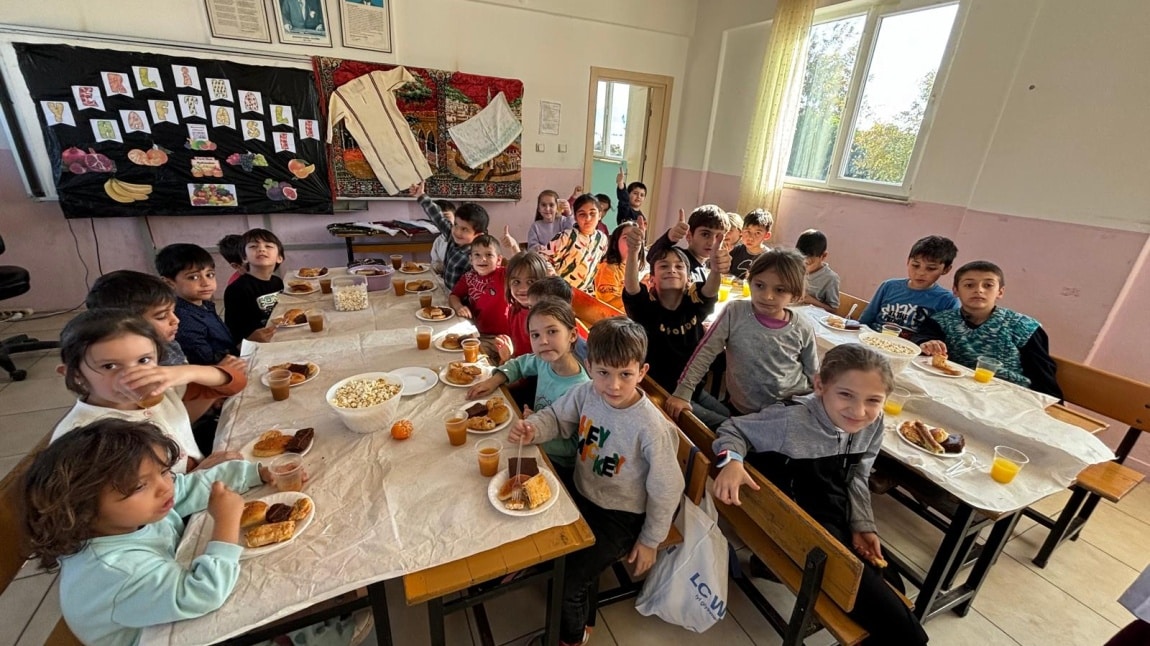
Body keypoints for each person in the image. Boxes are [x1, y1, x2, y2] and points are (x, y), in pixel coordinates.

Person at [712, 344, 929, 646]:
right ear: (819, 385)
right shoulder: (792, 421)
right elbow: (732, 428)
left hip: (832, 522)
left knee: (895, 589)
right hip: (795, 528)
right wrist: (732, 461)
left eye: (873, 401)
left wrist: (863, 525)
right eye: (845, 395)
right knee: (903, 632)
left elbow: (858, 476)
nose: (859, 411)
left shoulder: (873, 423)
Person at [508, 317, 683, 646]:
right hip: (584, 493)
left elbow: (667, 488)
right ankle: (585, 618)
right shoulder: (586, 392)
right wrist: (533, 428)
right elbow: (557, 418)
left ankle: (571, 638)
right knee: (543, 544)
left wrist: (650, 540)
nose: (613, 385)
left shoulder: (651, 427)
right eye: (603, 373)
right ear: (590, 366)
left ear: (642, 372)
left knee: (567, 584)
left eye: (625, 375)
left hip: (622, 516)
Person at [24, 420, 268, 646]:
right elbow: (203, 593)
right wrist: (226, 522)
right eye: (140, 485)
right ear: (83, 509)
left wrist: (253, 473)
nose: (164, 488)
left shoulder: (127, 516)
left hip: (164, 612)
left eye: (164, 472)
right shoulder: (115, 570)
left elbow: (186, 487)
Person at [52, 309, 246, 473]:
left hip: (198, 476)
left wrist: (186, 372)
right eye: (110, 366)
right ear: (76, 375)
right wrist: (200, 473)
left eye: (143, 360)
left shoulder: (161, 390)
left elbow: (235, 383)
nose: (133, 375)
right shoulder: (85, 437)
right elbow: (129, 505)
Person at [667, 248, 818, 429]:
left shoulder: (802, 326)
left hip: (788, 412)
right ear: (750, 281)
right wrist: (683, 391)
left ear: (795, 295)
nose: (767, 296)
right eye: (759, 285)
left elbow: (814, 374)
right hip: (743, 410)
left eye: (780, 290)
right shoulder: (735, 312)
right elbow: (705, 352)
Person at [468, 297, 590, 484]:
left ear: (572, 335)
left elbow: (575, 445)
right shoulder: (543, 361)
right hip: (530, 436)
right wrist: (495, 380)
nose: (543, 341)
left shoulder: (581, 390)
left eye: (552, 331)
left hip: (556, 464)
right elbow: (519, 364)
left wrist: (535, 432)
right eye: (535, 335)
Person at [915, 260, 1062, 398]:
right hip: (955, 390)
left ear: (1000, 292)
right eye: (969, 285)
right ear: (955, 291)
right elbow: (923, 339)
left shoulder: (1023, 327)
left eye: (988, 285)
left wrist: (1055, 410)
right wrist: (926, 343)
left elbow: (1042, 375)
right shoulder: (941, 321)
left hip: (1009, 396)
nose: (979, 290)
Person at [623, 227, 728, 394]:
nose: (672, 270)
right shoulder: (647, 310)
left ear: (689, 279)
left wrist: (715, 270)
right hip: (660, 393)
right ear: (652, 279)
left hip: (692, 389)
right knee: (720, 421)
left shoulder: (693, 305)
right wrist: (634, 252)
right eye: (664, 266)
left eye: (679, 267)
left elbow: (709, 291)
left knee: (724, 415)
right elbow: (632, 288)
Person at [156, 243, 238, 365]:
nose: (206, 283)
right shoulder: (182, 319)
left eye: (210, 275)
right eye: (193, 277)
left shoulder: (204, 304)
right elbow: (205, 361)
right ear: (169, 283)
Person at [859, 234, 959, 334]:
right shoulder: (889, 286)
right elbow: (865, 321)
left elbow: (946, 338)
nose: (920, 273)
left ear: (946, 270)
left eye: (931, 268)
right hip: (872, 339)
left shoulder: (948, 300)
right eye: (915, 265)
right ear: (908, 261)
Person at [84, 270, 185, 366]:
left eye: (173, 311)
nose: (176, 320)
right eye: (161, 317)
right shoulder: (125, 362)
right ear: (125, 322)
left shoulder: (168, 343)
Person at [412, 181, 488, 290]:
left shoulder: (477, 256)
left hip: (461, 301)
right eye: (456, 225)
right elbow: (438, 217)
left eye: (464, 229)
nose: (457, 231)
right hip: (446, 291)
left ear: (478, 235)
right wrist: (421, 196)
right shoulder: (453, 237)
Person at [223, 228, 285, 344]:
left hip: (278, 336)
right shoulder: (236, 290)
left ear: (279, 257)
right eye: (253, 246)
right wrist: (248, 341)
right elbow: (233, 332)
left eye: (268, 246)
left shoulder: (277, 282)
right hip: (255, 346)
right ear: (244, 257)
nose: (261, 249)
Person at [646, 205, 730, 285]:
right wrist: (669, 237)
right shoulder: (679, 258)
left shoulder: (703, 268)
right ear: (689, 236)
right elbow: (652, 257)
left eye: (718, 236)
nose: (712, 242)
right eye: (705, 234)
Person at [448, 234, 511, 336]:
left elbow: (523, 268)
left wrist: (513, 247)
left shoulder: (504, 274)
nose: (483, 259)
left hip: (504, 334)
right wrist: (459, 307)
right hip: (478, 332)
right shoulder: (468, 277)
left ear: (499, 260)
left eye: (489, 255)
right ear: (471, 259)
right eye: (477, 255)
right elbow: (453, 296)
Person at [549, 194, 608, 294]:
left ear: (600, 215)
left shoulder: (602, 239)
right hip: (561, 293)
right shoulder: (566, 237)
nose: (588, 218)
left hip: (586, 294)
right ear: (575, 217)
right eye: (582, 214)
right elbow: (542, 258)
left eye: (592, 214)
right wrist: (553, 278)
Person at [504, 250, 552, 359]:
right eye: (516, 282)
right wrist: (508, 356)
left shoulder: (546, 317)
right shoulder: (514, 310)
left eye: (530, 282)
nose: (523, 289)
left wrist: (508, 360)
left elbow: (542, 361)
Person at [593, 221, 646, 311]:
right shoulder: (608, 268)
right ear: (614, 244)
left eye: (636, 238)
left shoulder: (634, 268)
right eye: (626, 237)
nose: (632, 242)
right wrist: (639, 289)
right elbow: (608, 304)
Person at [795, 229, 841, 312]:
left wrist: (810, 300)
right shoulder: (793, 267)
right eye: (800, 259)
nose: (804, 265)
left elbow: (833, 309)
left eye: (809, 263)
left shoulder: (830, 278)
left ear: (823, 256)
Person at [729, 208, 773, 279]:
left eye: (757, 233)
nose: (750, 237)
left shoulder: (769, 258)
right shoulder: (735, 251)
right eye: (747, 231)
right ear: (742, 231)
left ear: (766, 235)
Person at [429, 199, 457, 275]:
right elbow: (434, 262)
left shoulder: (460, 239)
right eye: (438, 219)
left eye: (446, 216)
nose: (442, 222)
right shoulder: (438, 241)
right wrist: (438, 267)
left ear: (455, 218)